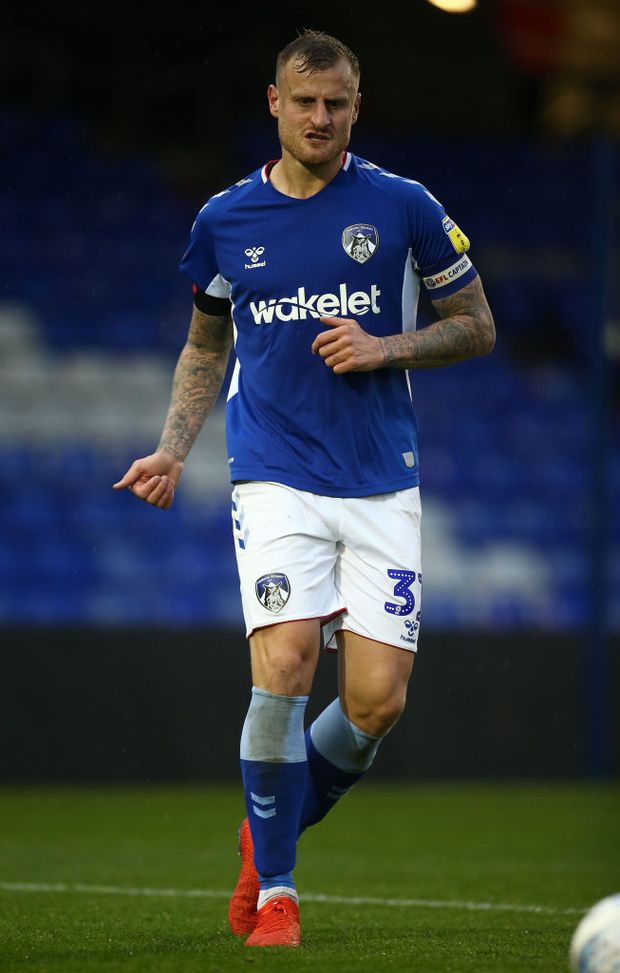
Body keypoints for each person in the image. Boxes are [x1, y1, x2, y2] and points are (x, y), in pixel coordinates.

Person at [113, 29, 495, 948]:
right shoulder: (224, 219)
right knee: (284, 663)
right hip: (273, 471)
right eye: (304, 99)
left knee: (374, 703)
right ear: (274, 102)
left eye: (338, 102)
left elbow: (476, 324)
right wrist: (172, 450)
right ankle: (278, 893)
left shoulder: (403, 206)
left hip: (379, 480)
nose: (320, 116)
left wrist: (385, 347)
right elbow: (207, 343)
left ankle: (264, 828)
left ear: (356, 107)